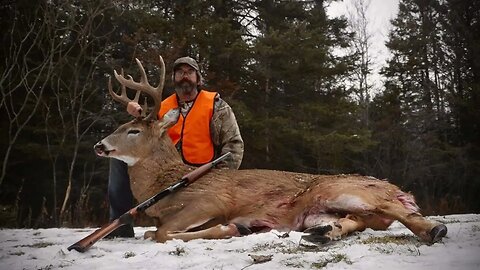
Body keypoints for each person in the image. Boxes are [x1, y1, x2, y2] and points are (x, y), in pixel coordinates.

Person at [106, 56, 244, 238]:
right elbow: (140, 135)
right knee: (119, 159)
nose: (185, 76)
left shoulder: (217, 107)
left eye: (190, 72)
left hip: (203, 177)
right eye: (180, 72)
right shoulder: (161, 109)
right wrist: (136, 111)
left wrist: (220, 179)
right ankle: (119, 228)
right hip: (167, 179)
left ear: (198, 78)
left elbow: (234, 145)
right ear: (174, 79)